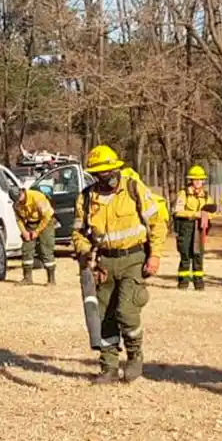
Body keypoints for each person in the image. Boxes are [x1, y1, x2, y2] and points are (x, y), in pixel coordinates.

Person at [72, 145, 167, 384]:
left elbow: (157, 223)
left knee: (126, 311)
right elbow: (78, 233)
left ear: (117, 169)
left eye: (109, 171)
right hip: (104, 262)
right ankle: (109, 367)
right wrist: (85, 252)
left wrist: (155, 255)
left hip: (133, 259)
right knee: (104, 316)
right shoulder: (86, 197)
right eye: (100, 173)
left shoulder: (134, 188)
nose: (106, 177)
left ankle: (135, 354)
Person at [172, 165, 217, 290]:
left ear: (203, 181)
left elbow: (213, 212)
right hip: (186, 227)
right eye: (195, 179)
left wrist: (207, 215)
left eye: (200, 179)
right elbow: (177, 211)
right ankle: (183, 283)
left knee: (198, 256)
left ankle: (199, 283)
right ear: (190, 180)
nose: (198, 182)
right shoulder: (183, 194)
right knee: (185, 255)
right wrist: (194, 214)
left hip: (200, 228)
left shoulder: (207, 196)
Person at [8, 184, 56, 285]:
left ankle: (51, 279)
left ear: (22, 192)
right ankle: (27, 278)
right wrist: (24, 232)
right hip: (30, 223)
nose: (19, 201)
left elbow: (46, 217)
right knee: (26, 249)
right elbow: (19, 220)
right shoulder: (16, 204)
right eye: (16, 200)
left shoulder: (37, 197)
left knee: (45, 248)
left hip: (45, 222)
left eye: (19, 197)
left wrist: (37, 232)